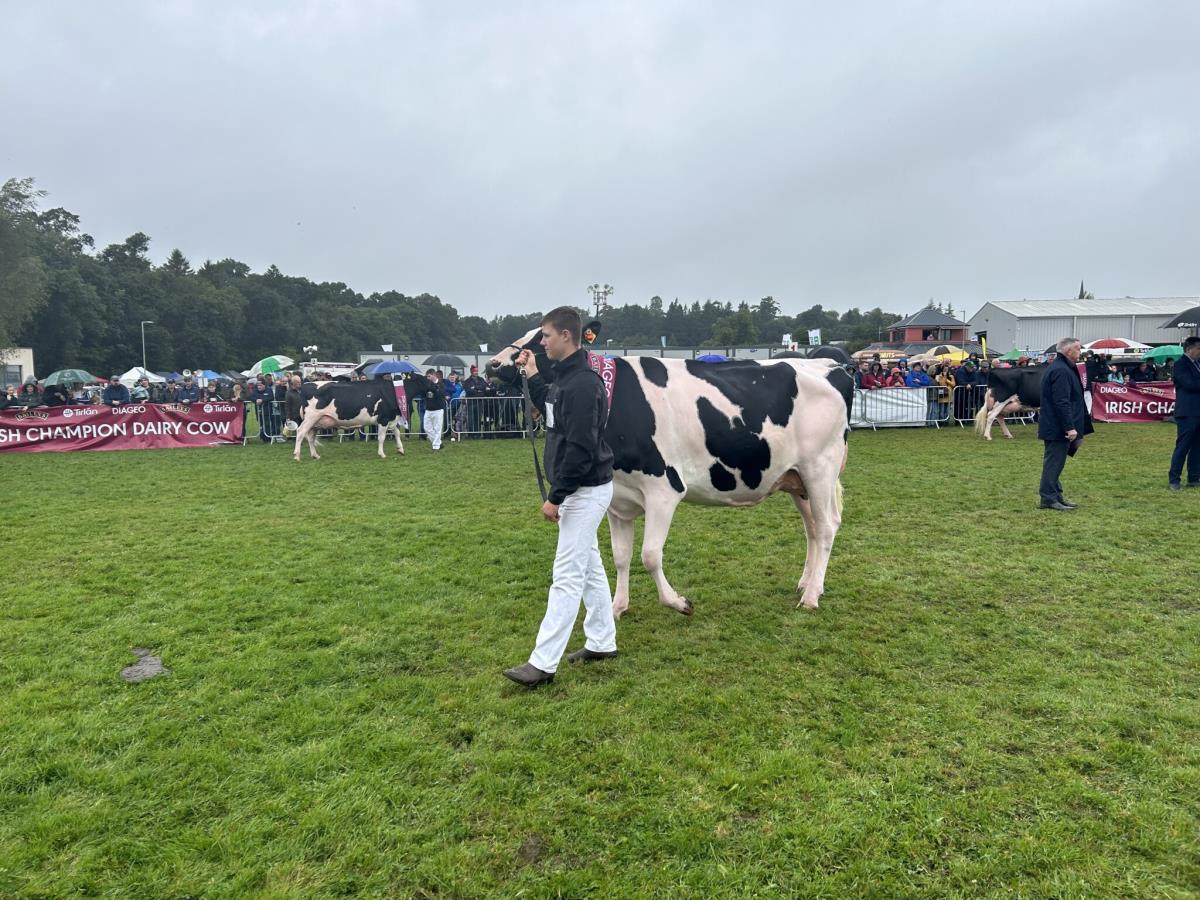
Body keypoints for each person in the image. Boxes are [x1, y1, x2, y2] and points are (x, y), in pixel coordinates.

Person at [504, 306, 617, 687]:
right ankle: (602, 641)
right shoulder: (568, 378)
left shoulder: (584, 384)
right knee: (589, 567)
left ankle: (543, 663)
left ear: (566, 335)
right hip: (580, 488)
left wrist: (557, 496)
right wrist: (533, 372)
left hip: (585, 489)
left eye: (547, 336)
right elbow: (552, 409)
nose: (543, 342)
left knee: (566, 575)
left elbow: (582, 448)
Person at [1038, 337, 1092, 510]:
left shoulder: (1063, 368)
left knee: (1057, 462)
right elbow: (1061, 401)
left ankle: (1055, 495)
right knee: (1054, 462)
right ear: (1069, 351)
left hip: (1057, 425)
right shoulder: (1061, 370)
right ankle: (1048, 498)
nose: (1080, 352)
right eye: (1077, 349)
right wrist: (1069, 427)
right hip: (1057, 426)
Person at [1168, 335, 1200, 491]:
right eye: (1198, 349)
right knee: (1183, 446)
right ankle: (1174, 479)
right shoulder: (1180, 364)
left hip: (1198, 410)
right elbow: (1189, 384)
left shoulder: (1197, 364)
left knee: (1197, 447)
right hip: (1187, 411)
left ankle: (1194, 477)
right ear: (1189, 349)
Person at [421, 369, 447, 450]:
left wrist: (435, 387)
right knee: (426, 428)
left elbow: (441, 394)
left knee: (437, 428)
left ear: (433, 375)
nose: (427, 378)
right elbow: (423, 395)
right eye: (427, 376)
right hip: (428, 409)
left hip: (438, 410)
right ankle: (439, 442)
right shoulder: (427, 384)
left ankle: (435, 446)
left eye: (429, 376)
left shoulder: (441, 384)